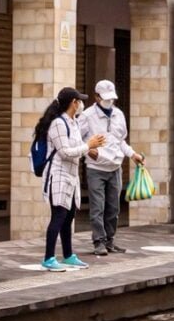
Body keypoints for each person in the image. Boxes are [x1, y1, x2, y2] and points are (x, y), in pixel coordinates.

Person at [34, 88, 104, 271]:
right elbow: (64, 152)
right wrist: (88, 145)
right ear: (73, 103)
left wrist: (90, 150)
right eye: (79, 101)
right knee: (58, 216)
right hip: (58, 176)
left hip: (71, 177)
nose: (81, 104)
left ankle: (68, 255)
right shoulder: (58, 123)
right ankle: (48, 258)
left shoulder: (73, 122)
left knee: (69, 216)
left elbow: (76, 146)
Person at [79, 80, 144, 256]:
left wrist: (133, 155)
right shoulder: (87, 116)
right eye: (105, 98)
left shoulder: (118, 114)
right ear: (96, 97)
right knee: (97, 207)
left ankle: (110, 240)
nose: (109, 101)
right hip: (95, 168)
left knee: (114, 208)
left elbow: (120, 141)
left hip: (115, 167)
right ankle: (98, 241)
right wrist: (88, 150)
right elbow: (77, 139)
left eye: (111, 98)